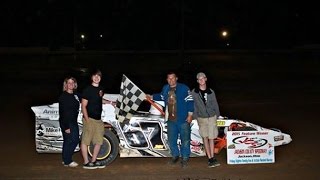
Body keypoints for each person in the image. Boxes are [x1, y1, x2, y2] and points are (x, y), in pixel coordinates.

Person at [148, 71, 194, 168]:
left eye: (172, 78)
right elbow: (160, 97)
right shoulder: (165, 88)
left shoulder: (184, 88)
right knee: (171, 140)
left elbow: (190, 101)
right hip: (171, 120)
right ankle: (175, 156)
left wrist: (190, 115)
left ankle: (185, 158)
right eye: (169, 78)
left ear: (176, 78)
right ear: (167, 80)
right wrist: (151, 96)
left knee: (185, 140)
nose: (171, 80)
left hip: (183, 119)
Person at [191, 72, 221, 167]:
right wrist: (196, 116)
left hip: (212, 117)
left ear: (206, 79)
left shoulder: (211, 91)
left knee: (212, 137)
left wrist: (217, 114)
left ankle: (213, 157)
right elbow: (194, 105)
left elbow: (215, 103)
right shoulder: (194, 92)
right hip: (201, 118)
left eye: (203, 78)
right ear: (197, 81)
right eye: (199, 79)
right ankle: (210, 158)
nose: (201, 80)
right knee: (205, 137)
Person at [80, 69, 106, 169]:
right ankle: (86, 162)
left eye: (98, 76)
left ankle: (93, 161)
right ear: (91, 77)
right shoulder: (87, 90)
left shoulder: (101, 89)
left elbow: (99, 99)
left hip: (98, 120)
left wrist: (110, 102)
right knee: (85, 141)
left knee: (99, 141)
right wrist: (87, 120)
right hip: (89, 118)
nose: (96, 77)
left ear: (100, 78)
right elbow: (83, 106)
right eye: (94, 75)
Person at [58, 77, 81, 167]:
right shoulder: (63, 96)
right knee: (72, 140)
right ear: (66, 84)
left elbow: (86, 98)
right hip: (67, 122)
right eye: (69, 83)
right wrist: (66, 127)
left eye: (72, 83)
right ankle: (68, 161)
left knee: (69, 141)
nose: (71, 84)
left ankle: (65, 159)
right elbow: (63, 113)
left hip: (73, 121)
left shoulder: (76, 94)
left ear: (75, 84)